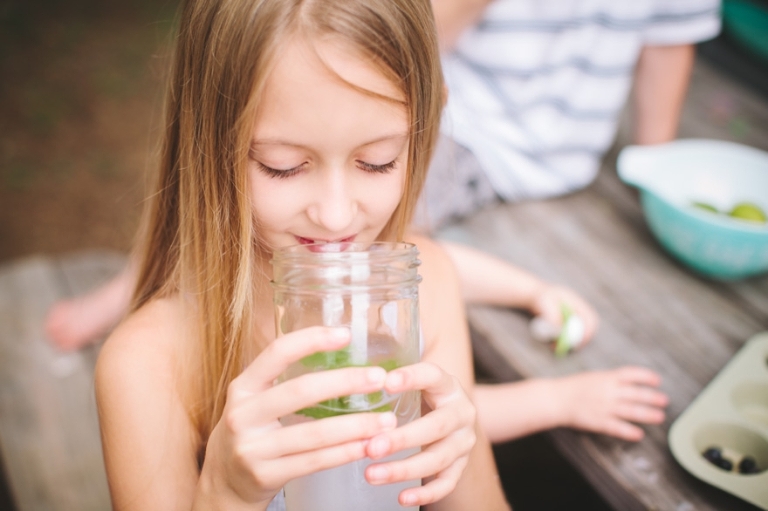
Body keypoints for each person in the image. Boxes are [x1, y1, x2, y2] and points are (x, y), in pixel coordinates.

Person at [94, 0, 511, 509]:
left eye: (377, 161)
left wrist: (457, 459)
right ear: (206, 141)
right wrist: (225, 493)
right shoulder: (148, 363)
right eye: (283, 166)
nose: (335, 217)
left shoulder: (426, 286)